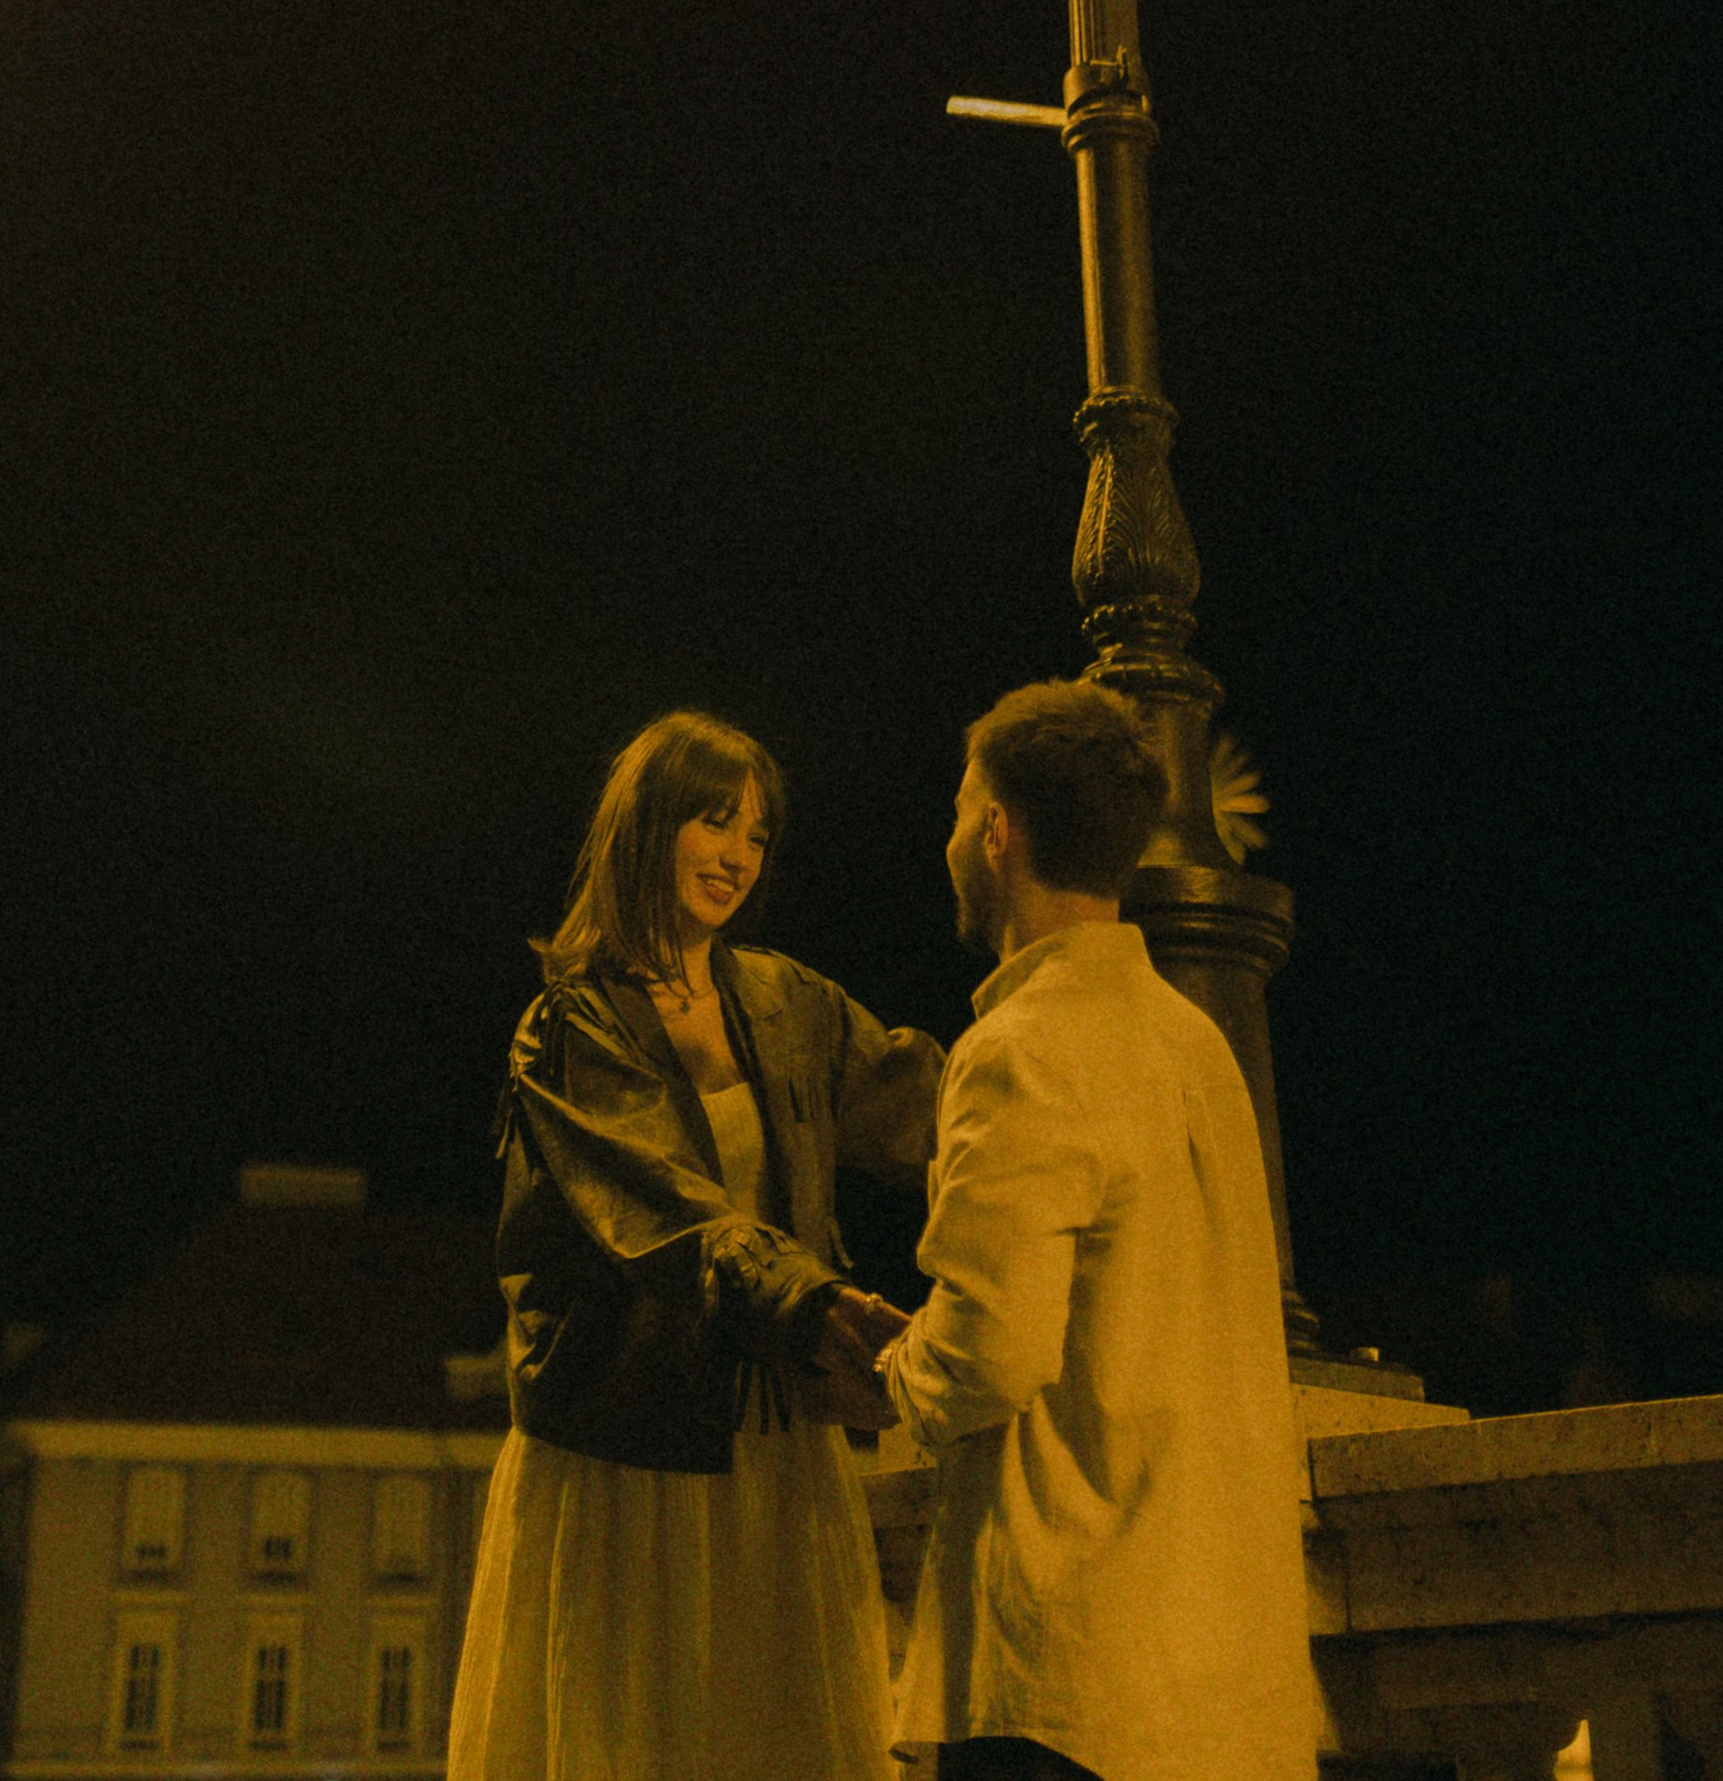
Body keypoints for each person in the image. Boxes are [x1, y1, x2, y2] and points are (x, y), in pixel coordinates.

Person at [447, 707, 943, 1781]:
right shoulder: (569, 1026)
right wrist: (815, 1309)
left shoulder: (787, 999)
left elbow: (927, 1109)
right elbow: (664, 1213)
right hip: (631, 1447)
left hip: (769, 1440)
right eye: (713, 823)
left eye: (757, 836)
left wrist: (1054, 1107)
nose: (736, 857)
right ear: (648, 827)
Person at [879, 678, 1312, 1781]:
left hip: (1067, 1680)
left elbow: (990, 1351)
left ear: (995, 833)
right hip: (1221, 1677)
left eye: (956, 811)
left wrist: (889, 1369)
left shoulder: (1020, 1047)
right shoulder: (1196, 1046)